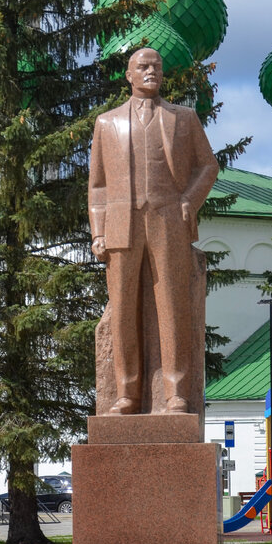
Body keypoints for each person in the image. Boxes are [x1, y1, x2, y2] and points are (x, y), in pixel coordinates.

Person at [88, 47, 219, 414]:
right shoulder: (107, 123)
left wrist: (188, 202)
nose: (151, 72)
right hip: (121, 225)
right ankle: (127, 394)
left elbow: (208, 166)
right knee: (123, 310)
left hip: (168, 222)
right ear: (128, 76)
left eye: (157, 68)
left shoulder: (184, 118)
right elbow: (97, 185)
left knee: (172, 308)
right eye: (143, 67)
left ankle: (176, 393)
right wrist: (98, 232)